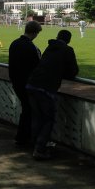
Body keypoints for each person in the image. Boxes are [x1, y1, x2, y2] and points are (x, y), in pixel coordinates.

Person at [26, 30, 79, 160]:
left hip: (32, 84)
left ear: (57, 37)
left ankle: (35, 145)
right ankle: (39, 149)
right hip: (46, 89)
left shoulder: (50, 47)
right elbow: (72, 72)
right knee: (48, 119)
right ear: (69, 40)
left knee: (37, 118)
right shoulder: (68, 50)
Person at [8, 21, 43, 147]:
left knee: (26, 109)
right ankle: (24, 137)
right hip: (28, 84)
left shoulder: (14, 43)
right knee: (29, 110)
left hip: (16, 82)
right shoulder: (32, 47)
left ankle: (23, 136)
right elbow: (38, 66)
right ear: (34, 32)